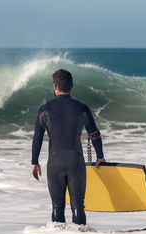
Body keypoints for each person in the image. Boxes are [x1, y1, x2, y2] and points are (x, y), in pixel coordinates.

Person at [31, 69, 105, 225]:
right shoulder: (82, 108)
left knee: (57, 206)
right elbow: (94, 134)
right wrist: (100, 156)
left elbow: (37, 138)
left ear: (54, 87)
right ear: (72, 86)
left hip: (54, 162)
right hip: (75, 162)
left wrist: (34, 162)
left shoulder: (44, 109)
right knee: (78, 205)